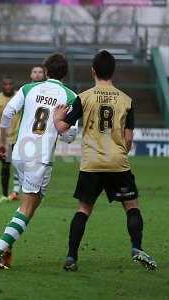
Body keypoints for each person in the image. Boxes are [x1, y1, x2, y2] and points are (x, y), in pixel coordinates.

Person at [53, 50, 157, 271]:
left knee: (83, 209)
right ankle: (137, 247)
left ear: (93, 71)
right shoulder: (126, 100)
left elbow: (62, 128)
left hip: (91, 163)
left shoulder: (84, 97)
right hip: (117, 162)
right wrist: (119, 152)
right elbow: (128, 139)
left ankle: (71, 257)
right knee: (131, 206)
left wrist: (56, 117)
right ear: (113, 72)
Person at [0, 54, 78, 269]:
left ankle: (6, 248)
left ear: (46, 70)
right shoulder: (71, 96)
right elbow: (69, 135)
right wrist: (57, 122)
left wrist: (1, 142)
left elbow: (7, 113)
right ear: (65, 73)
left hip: (19, 152)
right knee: (28, 207)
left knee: (32, 203)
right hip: (40, 158)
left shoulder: (28, 89)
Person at [0, 75, 21, 203]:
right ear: (2, 86)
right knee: (5, 166)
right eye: (5, 84)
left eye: (10, 84)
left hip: (20, 138)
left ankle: (17, 191)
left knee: (20, 165)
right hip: (4, 139)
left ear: (13, 85)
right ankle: (4, 194)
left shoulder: (20, 96)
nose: (8, 86)